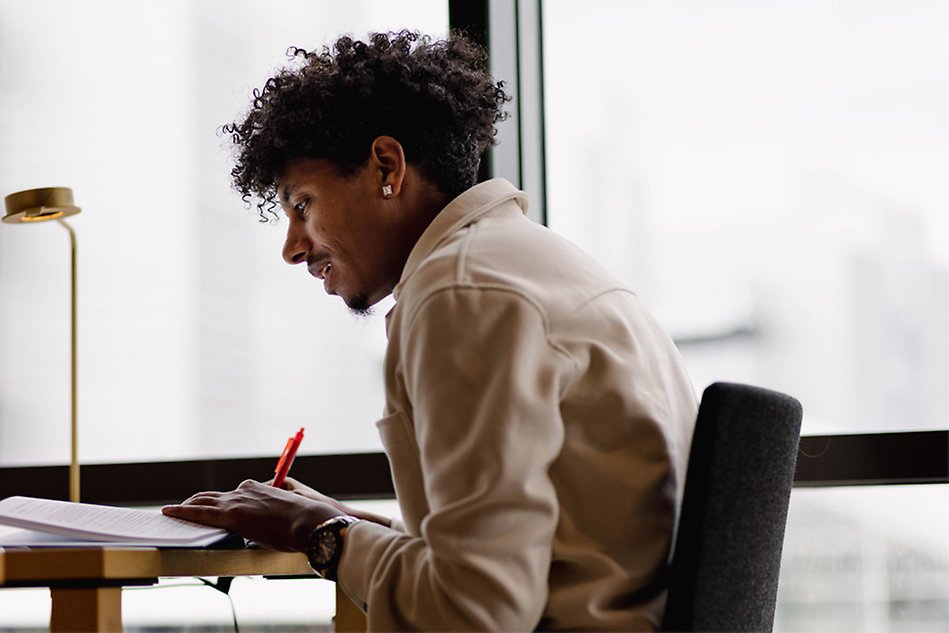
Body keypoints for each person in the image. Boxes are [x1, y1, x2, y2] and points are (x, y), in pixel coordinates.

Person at [162, 30, 697, 631]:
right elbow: (491, 567)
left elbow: (472, 612)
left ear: (386, 167)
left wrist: (314, 533)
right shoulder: (521, 264)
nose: (292, 249)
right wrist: (342, 526)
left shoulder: (462, 294)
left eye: (303, 204)